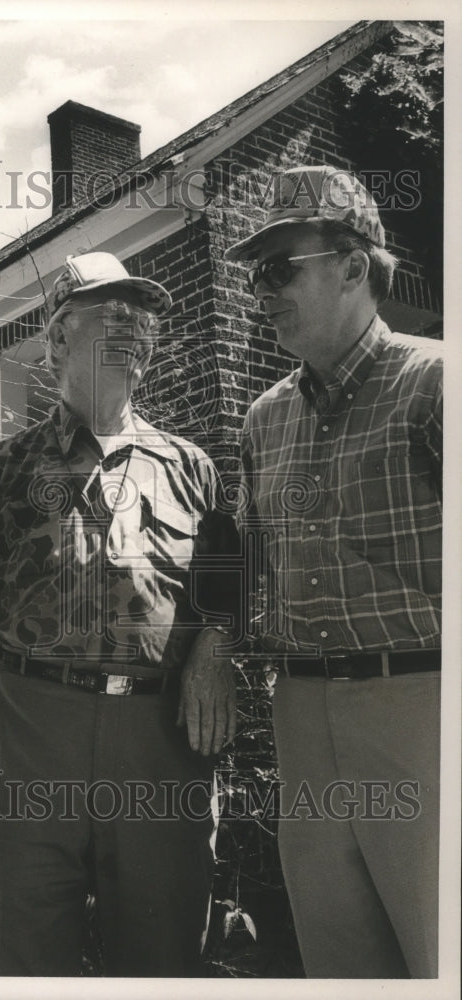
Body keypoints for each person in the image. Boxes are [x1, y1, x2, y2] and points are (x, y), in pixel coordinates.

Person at [0, 251, 239, 977]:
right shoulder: (0, 469)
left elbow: (225, 584)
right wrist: (4, 709)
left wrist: (214, 649)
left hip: (161, 743)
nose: (135, 329)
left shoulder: (191, 467)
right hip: (29, 735)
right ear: (59, 337)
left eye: (144, 319)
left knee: (164, 959)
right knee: (24, 957)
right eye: (112, 314)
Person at [226, 165, 441, 978]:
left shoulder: (436, 382)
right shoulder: (262, 418)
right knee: (340, 969)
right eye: (253, 275)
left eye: (281, 268)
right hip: (302, 717)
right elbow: (247, 562)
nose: (260, 291)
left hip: (420, 708)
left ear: (354, 266)